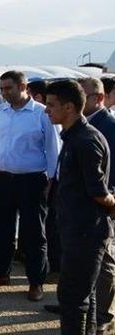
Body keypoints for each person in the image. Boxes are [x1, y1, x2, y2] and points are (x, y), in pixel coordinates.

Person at [0, 70, 60, 302]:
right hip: (0, 178)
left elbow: (53, 149)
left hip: (31, 181)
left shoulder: (41, 113)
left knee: (34, 233)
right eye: (2, 89)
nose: (5, 93)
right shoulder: (0, 112)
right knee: (1, 229)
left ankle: (36, 282)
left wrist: (52, 180)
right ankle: (0, 273)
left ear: (23, 86)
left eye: (9, 88)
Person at [42, 80, 114, 334]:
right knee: (86, 295)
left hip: (86, 231)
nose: (46, 110)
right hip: (75, 228)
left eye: (51, 105)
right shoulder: (73, 136)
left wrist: (112, 202)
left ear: (69, 107)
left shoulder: (85, 140)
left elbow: (98, 192)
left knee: (73, 299)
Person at [81, 77, 115, 333]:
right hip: (83, 203)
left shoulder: (109, 126)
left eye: (84, 96)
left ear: (99, 98)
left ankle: (104, 313)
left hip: (104, 202)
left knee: (105, 261)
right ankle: (86, 307)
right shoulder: (81, 125)